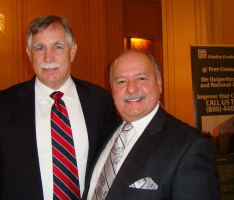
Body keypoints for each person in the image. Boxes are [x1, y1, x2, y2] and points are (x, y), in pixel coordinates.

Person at [0, 15, 117, 200]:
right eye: (39, 48)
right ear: (29, 53)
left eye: (58, 46)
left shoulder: (100, 100)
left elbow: (111, 167)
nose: (49, 57)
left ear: (72, 51)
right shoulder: (1, 105)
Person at [84, 49, 220, 200]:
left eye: (141, 78)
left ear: (159, 83)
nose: (131, 88)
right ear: (112, 89)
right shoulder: (103, 133)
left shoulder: (190, 147)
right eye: (121, 81)